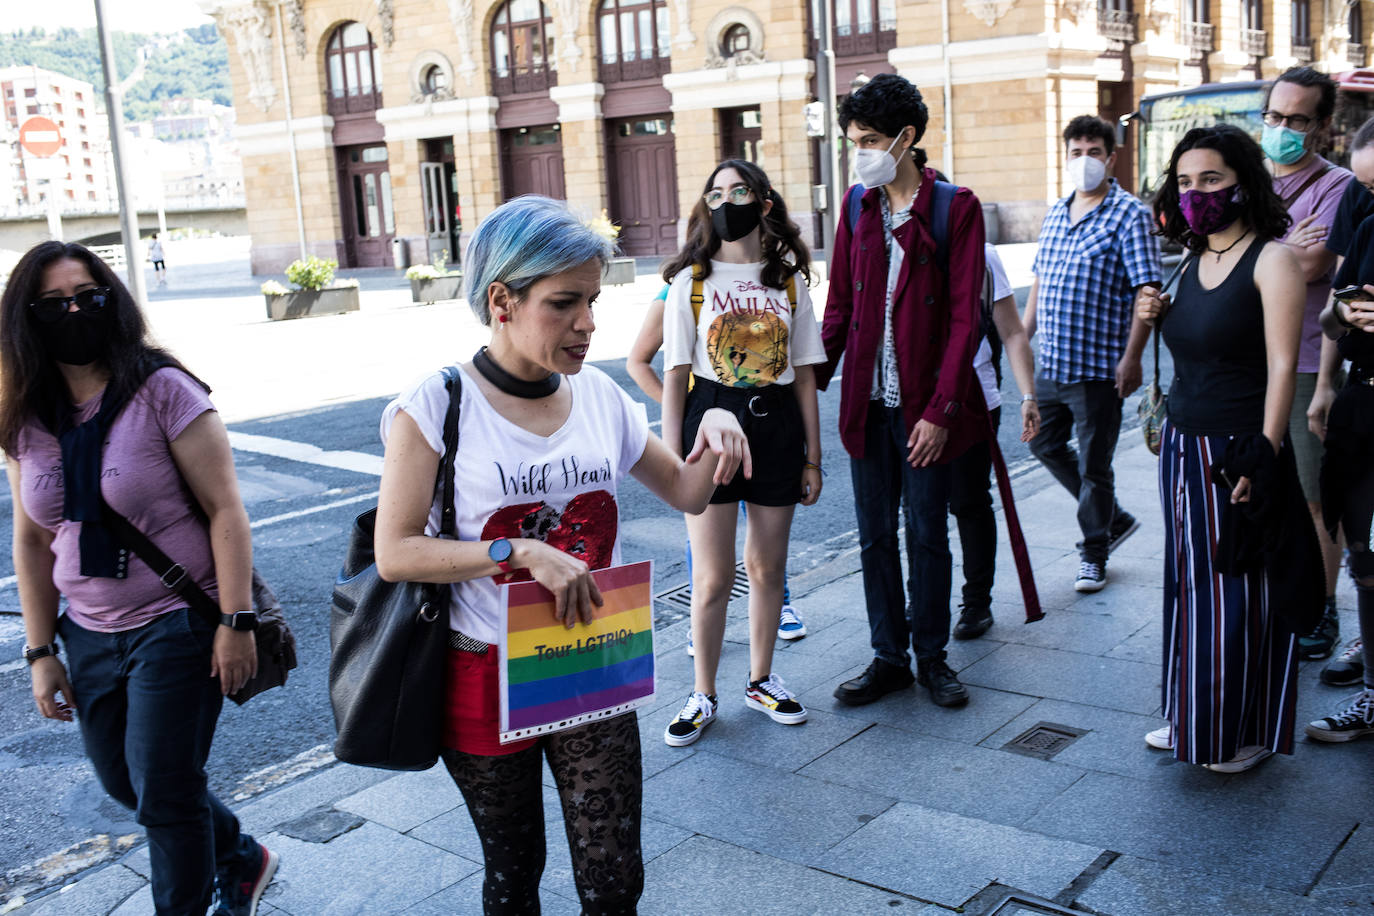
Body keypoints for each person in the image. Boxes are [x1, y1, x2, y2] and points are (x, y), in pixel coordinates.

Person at [372, 196, 749, 912]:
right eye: (565, 303)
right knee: (514, 872)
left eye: (594, 301)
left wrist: (719, 415)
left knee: (614, 876)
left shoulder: (599, 396)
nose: (588, 323)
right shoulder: (436, 405)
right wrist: (519, 551)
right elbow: (396, 552)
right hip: (481, 668)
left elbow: (689, 492)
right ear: (501, 300)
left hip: (590, 658)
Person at [1, 242, 276, 915]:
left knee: (167, 796)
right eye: (54, 304)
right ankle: (240, 855)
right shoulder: (26, 417)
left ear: (112, 301)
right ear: (26, 320)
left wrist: (236, 622)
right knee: (126, 783)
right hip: (87, 634)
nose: (74, 312)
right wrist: (40, 653)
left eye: (87, 297)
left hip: (178, 623)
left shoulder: (164, 391)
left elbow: (226, 512)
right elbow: (33, 539)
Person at [1136, 124, 1307, 773]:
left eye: (1210, 179)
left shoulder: (1272, 260)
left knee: (1238, 592)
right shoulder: (1187, 258)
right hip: (1182, 445)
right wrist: (1150, 316)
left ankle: (1243, 729)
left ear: (1242, 181)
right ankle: (1192, 716)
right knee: (1188, 586)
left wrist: (1263, 456)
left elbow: (1285, 365)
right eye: (1184, 182)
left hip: (1238, 450)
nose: (1196, 193)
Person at [817, 73, 988, 709]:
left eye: (867, 140)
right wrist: (809, 381)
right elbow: (837, 306)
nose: (856, 152)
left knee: (926, 534)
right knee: (873, 536)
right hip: (867, 403)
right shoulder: (857, 209)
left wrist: (942, 410)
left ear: (905, 139)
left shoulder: (954, 208)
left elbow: (967, 319)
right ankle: (887, 656)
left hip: (924, 407)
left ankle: (933, 658)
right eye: (852, 141)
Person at [657, 158, 823, 746]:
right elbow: (675, 376)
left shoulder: (788, 281)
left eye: (739, 190)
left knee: (767, 567)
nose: (727, 201)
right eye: (716, 193)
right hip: (711, 427)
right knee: (713, 575)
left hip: (776, 426)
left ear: (764, 203)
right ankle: (702, 692)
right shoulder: (691, 284)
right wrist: (678, 459)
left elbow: (804, 375)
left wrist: (813, 457)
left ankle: (760, 679)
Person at [1024, 115, 1161, 593]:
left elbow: (1147, 288)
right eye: (1077, 152)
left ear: (1111, 157)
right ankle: (1114, 520)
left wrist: (1132, 358)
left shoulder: (1129, 214)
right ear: (1066, 158)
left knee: (1096, 465)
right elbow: (1041, 282)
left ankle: (1094, 553)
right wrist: (1022, 339)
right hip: (1052, 364)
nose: (1085, 161)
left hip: (1099, 370)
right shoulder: (1057, 213)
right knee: (1043, 444)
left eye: (1094, 152)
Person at [626, 286, 808, 647]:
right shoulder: (680, 290)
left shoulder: (761, 283)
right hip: (707, 431)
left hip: (761, 422)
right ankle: (703, 619)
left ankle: (780, 604)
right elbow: (638, 361)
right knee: (708, 538)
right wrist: (682, 407)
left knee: (766, 533)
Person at [1260, 67, 1354, 661]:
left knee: (1313, 493)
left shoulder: (1341, 187)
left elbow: (1314, 266)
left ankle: (1322, 608)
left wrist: (1267, 257)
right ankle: (1274, 597)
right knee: (1257, 485)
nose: (1283, 129)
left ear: (1321, 126)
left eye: (1297, 120)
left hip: (1305, 363)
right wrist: (1283, 252)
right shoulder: (1246, 181)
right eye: (1274, 117)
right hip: (1244, 358)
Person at [1303, 115, 1374, 743]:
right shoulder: (1360, 197)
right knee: (1363, 550)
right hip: (1363, 399)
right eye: (1365, 187)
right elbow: (1331, 311)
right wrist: (1327, 382)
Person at [948, 244, 1041, 639]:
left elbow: (1012, 331)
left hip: (975, 397)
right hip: (915, 400)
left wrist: (1028, 396)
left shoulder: (981, 254)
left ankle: (976, 601)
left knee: (970, 501)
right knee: (918, 507)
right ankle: (921, 597)